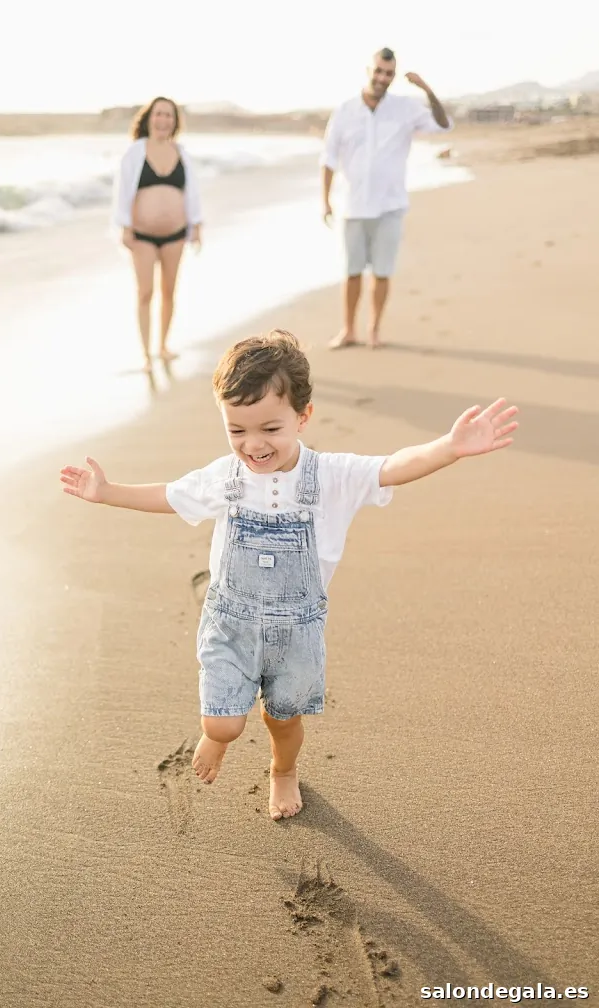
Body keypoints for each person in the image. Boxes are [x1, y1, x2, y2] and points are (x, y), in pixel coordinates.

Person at [59, 331, 518, 821]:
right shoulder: (225, 478)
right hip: (230, 623)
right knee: (223, 723)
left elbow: (392, 467)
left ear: (303, 416)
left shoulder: (333, 476)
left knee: (282, 719)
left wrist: (450, 446)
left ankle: (283, 770)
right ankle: (219, 736)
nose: (253, 445)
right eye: (237, 430)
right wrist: (106, 492)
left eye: (271, 428)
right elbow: (168, 495)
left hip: (297, 633)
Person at [322, 48, 452, 350]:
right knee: (352, 272)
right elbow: (328, 158)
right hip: (353, 206)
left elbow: (443, 125)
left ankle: (374, 330)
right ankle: (348, 330)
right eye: (378, 71)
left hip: (390, 207)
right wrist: (325, 200)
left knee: (382, 273)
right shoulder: (344, 111)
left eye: (389, 74)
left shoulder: (405, 108)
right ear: (368, 70)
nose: (382, 78)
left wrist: (426, 89)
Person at [113, 97, 203, 372]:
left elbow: (192, 193)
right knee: (145, 292)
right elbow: (122, 191)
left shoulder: (182, 153)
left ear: (175, 122)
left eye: (168, 115)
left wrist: (196, 225)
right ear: (148, 118)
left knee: (169, 291)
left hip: (176, 234)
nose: (163, 119)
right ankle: (145, 354)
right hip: (142, 235)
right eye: (158, 114)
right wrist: (124, 226)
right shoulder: (135, 152)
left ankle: (163, 346)